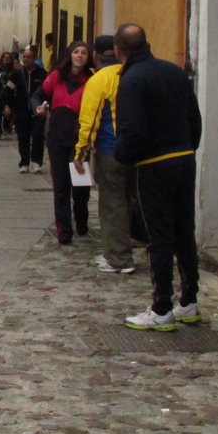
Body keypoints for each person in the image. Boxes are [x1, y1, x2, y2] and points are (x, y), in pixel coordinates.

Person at [113, 24, 202, 331]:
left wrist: (122, 157)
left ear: (118, 50)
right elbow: (195, 119)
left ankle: (161, 306)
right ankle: (189, 301)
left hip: (152, 166)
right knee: (184, 232)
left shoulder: (131, 80)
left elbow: (133, 131)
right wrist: (187, 149)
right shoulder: (175, 72)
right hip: (183, 160)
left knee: (159, 237)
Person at [73, 35, 134, 272]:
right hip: (137, 150)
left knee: (111, 205)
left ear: (96, 55)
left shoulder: (99, 80)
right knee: (127, 202)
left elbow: (89, 121)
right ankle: (116, 250)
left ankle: (118, 258)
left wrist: (81, 154)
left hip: (110, 150)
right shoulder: (132, 74)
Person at [32, 41, 93, 244]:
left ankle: (82, 221)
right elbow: (37, 95)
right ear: (70, 55)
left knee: (81, 188)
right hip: (57, 138)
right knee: (61, 187)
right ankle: (64, 231)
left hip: (80, 142)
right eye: (76, 52)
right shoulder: (56, 77)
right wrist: (38, 108)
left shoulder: (91, 80)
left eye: (84, 52)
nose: (80, 55)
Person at [5, 48, 47, 173]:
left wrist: (45, 106)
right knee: (23, 137)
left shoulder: (42, 74)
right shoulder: (16, 74)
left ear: (34, 59)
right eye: (24, 57)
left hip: (38, 111)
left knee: (38, 136)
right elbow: (8, 91)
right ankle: (24, 162)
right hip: (21, 110)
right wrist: (9, 106)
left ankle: (36, 161)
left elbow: (47, 91)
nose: (26, 59)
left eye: (29, 57)